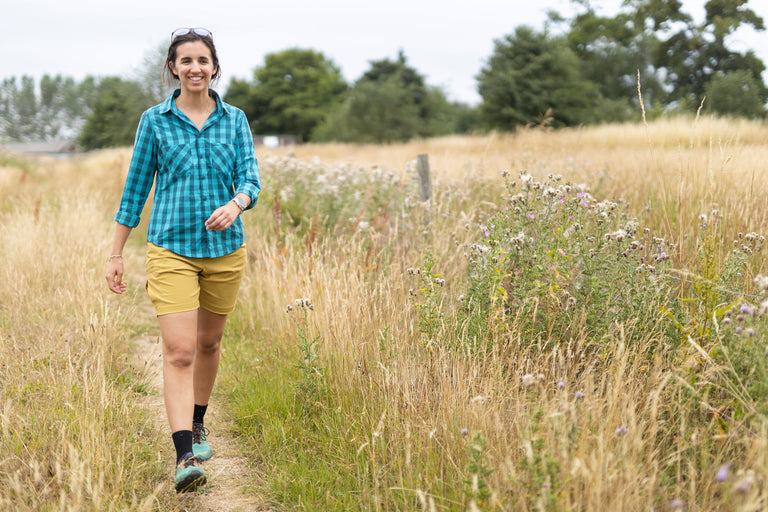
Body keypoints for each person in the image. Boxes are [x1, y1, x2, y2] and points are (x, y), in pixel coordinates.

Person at [105, 27, 260, 493]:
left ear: (215, 67)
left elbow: (250, 178)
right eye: (185, 60)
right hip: (170, 249)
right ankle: (184, 457)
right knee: (180, 351)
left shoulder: (235, 120)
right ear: (173, 68)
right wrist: (115, 254)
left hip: (224, 252)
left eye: (203, 60)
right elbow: (135, 190)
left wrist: (236, 203)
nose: (195, 68)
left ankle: (198, 423)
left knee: (209, 345)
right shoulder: (154, 121)